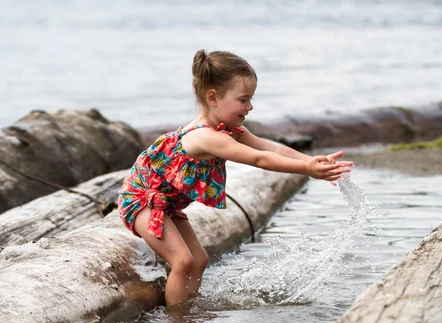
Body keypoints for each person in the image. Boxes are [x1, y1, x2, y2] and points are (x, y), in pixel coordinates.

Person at [118, 50, 353, 306]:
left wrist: (310, 162)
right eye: (243, 99)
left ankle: (188, 306)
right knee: (182, 261)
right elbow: (259, 159)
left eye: (251, 99)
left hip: (168, 205)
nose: (250, 107)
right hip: (142, 200)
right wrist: (306, 170)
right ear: (213, 97)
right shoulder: (205, 136)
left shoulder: (228, 130)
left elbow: (269, 148)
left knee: (200, 259)